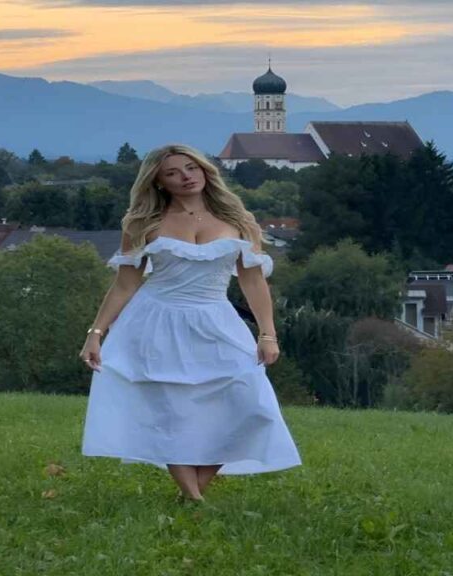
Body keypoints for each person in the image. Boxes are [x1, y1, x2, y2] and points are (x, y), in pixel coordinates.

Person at [79, 143, 301, 502]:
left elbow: (253, 281)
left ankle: (194, 491)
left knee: (250, 403)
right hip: (155, 322)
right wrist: (96, 334)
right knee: (169, 411)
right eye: (173, 172)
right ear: (159, 182)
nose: (185, 177)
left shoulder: (237, 220)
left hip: (216, 321)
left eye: (191, 168)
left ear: (204, 171)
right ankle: (193, 499)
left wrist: (268, 334)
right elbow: (125, 283)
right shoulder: (142, 223)